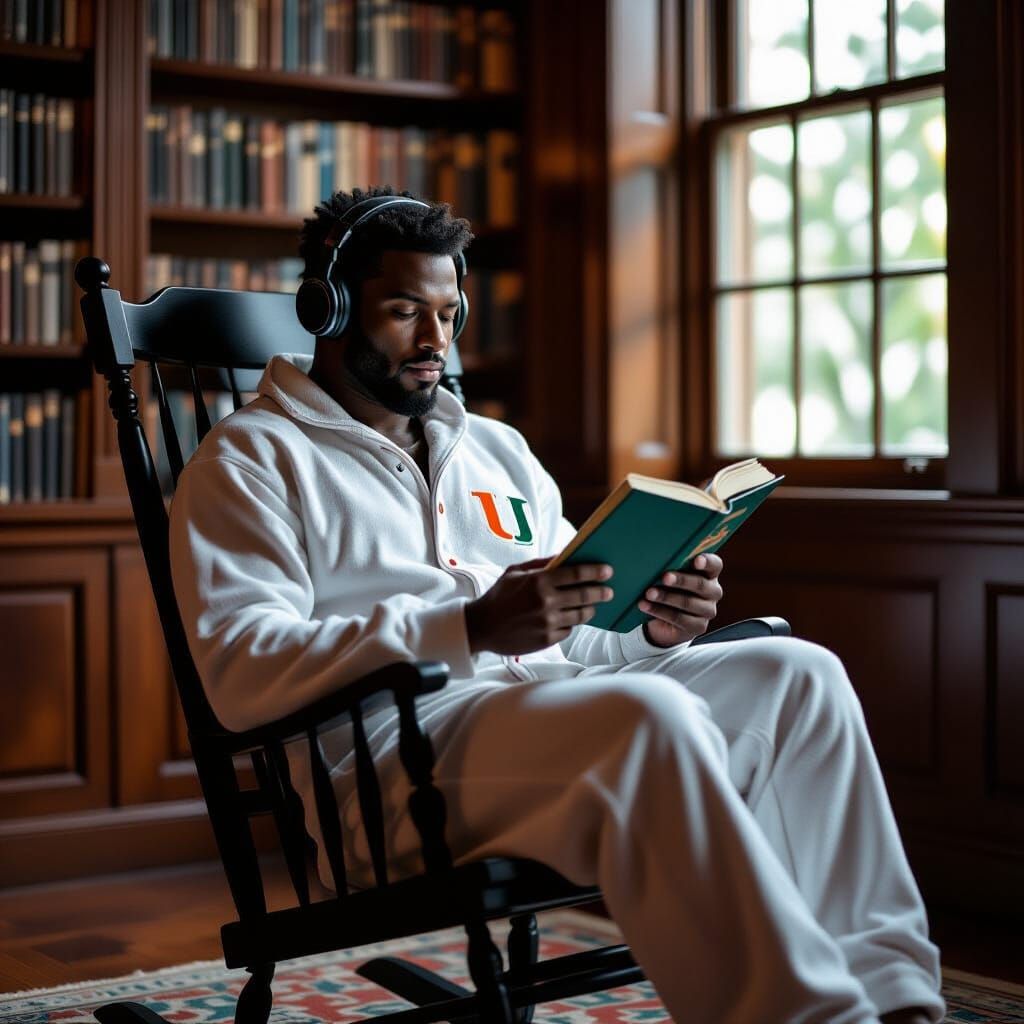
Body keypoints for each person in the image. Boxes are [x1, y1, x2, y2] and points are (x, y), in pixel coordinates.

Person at [168, 187, 944, 1024]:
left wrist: (652, 626)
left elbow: (580, 646)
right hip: (396, 776)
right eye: (403, 312)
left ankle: (895, 999)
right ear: (328, 310)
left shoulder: (496, 450)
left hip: (553, 719)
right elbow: (239, 672)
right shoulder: (249, 462)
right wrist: (467, 628)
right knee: (643, 719)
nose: (435, 341)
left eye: (449, 312)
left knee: (799, 675)